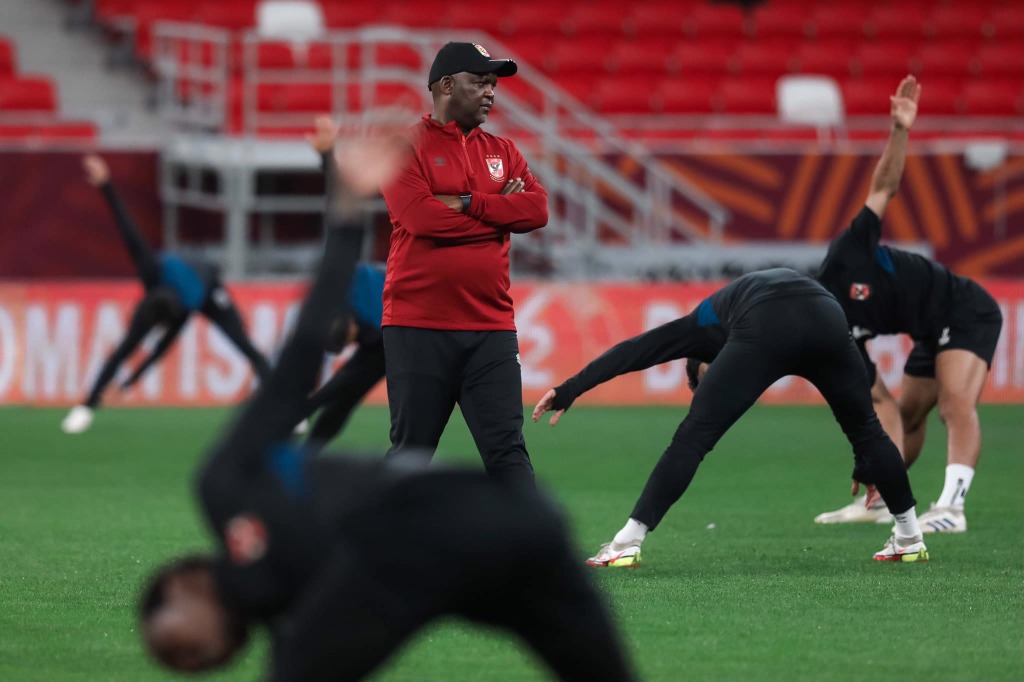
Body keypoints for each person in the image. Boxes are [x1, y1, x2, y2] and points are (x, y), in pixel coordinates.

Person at [137, 118, 635, 682]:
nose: (189, 664)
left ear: (180, 583)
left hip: (472, 522)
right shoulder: (290, 614)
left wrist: (347, 214)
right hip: (466, 545)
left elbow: (302, 352)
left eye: (173, 648)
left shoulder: (223, 487)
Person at [534, 268, 929, 566]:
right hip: (828, 315)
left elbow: (637, 350)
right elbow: (859, 417)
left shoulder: (702, 326)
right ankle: (910, 536)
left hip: (771, 319)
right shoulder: (722, 315)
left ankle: (625, 542)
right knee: (868, 432)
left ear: (703, 363)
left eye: (704, 382)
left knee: (692, 438)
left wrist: (570, 389)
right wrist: (866, 460)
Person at [812, 76, 1003, 534]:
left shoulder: (846, 256)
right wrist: (875, 465)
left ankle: (951, 509)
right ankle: (883, 502)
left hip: (965, 309)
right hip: (927, 330)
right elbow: (883, 408)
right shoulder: (835, 332)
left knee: (954, 404)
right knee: (911, 412)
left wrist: (900, 129)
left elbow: (885, 187)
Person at [380, 41, 548, 485]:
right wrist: (498, 215)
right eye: (480, 83)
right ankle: (371, 549)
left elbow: (537, 210)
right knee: (411, 452)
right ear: (447, 85)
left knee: (506, 449)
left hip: (491, 328)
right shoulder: (404, 147)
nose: (491, 92)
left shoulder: (504, 150)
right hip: (418, 325)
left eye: (493, 84)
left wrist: (468, 203)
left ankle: (530, 552)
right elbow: (421, 218)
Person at [60, 155, 272, 434]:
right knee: (124, 348)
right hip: (182, 275)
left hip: (211, 289)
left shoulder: (186, 307)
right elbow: (128, 229)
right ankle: (85, 408)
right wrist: (106, 184)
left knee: (245, 346)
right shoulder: (151, 269)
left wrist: (128, 383)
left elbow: (160, 351)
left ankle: (291, 410)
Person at [300, 261, 386, 453]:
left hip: (399, 339)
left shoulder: (374, 326)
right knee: (344, 400)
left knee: (345, 389)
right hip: (385, 323)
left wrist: (306, 407)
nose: (351, 345)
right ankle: (308, 451)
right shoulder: (346, 296)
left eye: (349, 342)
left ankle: (307, 445)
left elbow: (346, 378)